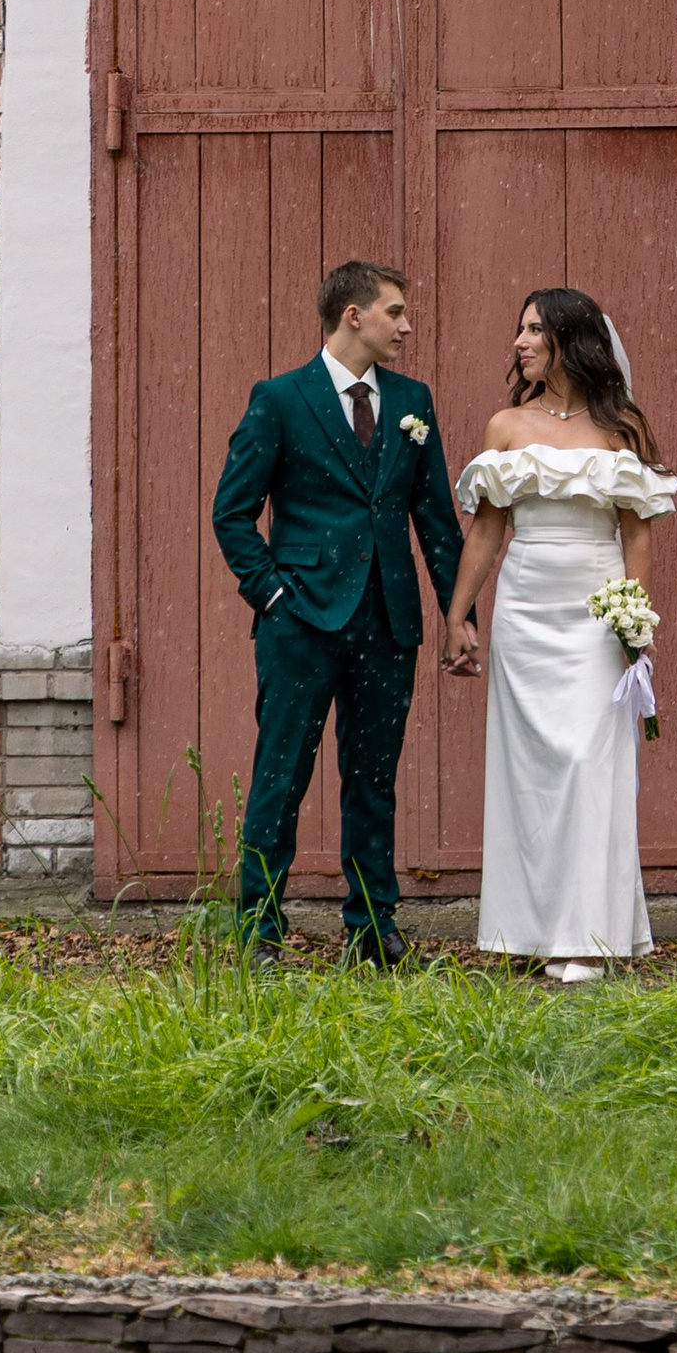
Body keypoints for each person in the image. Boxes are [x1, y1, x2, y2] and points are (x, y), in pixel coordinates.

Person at [209, 258, 464, 965]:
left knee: (374, 780)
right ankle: (259, 932)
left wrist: (458, 612)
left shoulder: (413, 401)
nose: (406, 326)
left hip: (387, 622)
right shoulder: (281, 399)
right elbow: (232, 513)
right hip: (300, 626)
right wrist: (272, 592)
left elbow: (436, 521)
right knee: (280, 775)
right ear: (354, 315)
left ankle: (372, 929)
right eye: (395, 312)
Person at [443, 286, 677, 976]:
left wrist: (633, 621)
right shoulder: (507, 428)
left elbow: (637, 538)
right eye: (519, 329)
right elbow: (488, 531)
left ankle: (587, 937)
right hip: (525, 609)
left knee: (587, 765)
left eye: (534, 330)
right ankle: (528, 932)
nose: (519, 342)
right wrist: (460, 614)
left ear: (570, 341)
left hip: (595, 607)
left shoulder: (622, 430)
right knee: (530, 774)